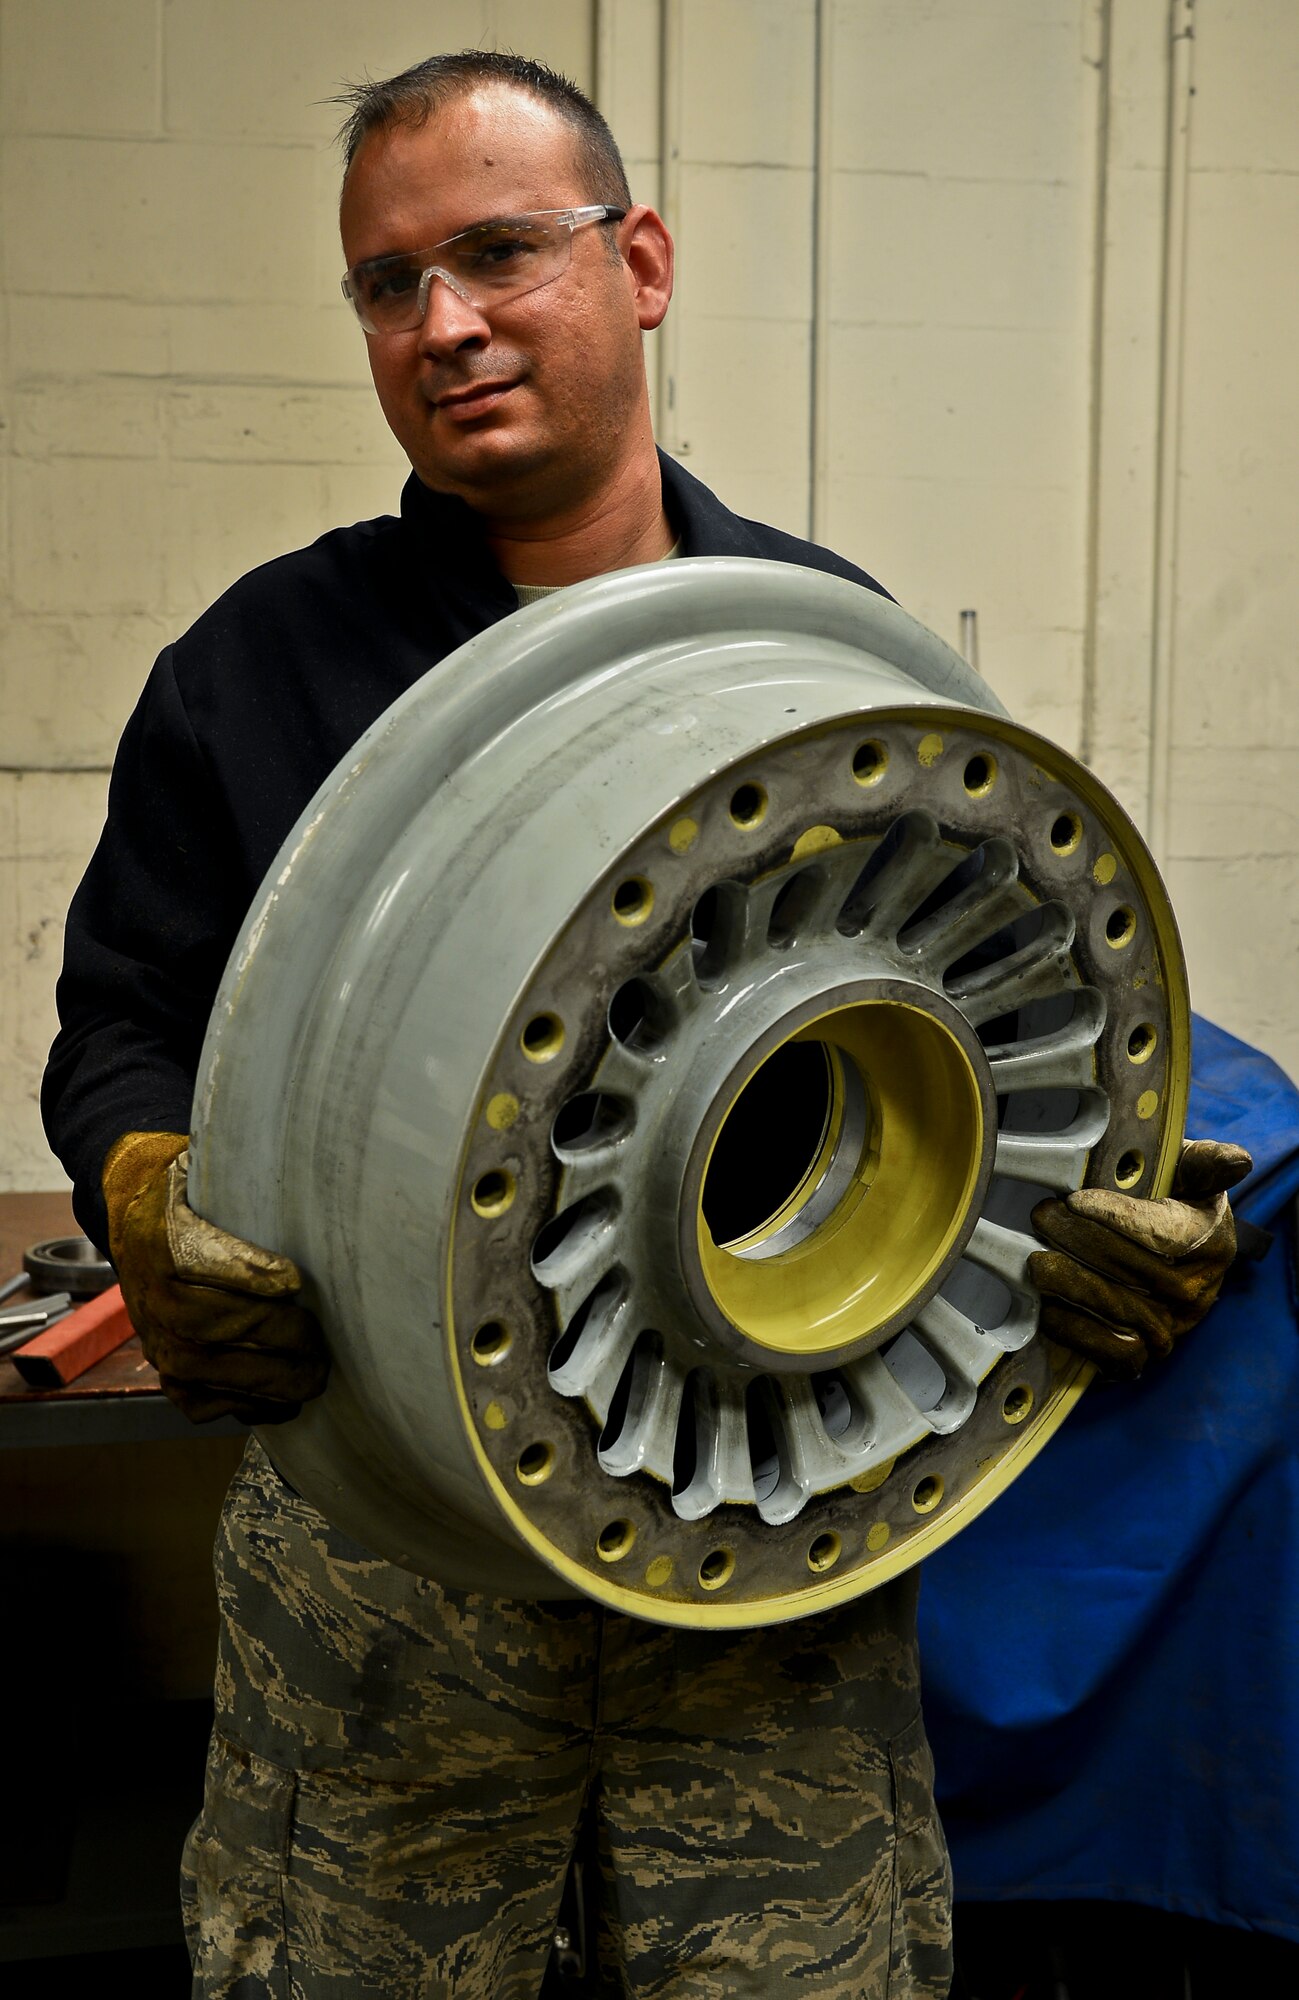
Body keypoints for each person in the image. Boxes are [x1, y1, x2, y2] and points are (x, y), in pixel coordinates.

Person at [40, 51, 1248, 2000]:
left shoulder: (816, 653)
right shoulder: (259, 666)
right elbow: (119, 1028)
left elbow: (986, 1008)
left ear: (643, 260)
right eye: (385, 282)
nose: (442, 324)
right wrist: (148, 1187)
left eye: (499, 252)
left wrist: (1103, 1207)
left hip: (762, 1577)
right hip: (391, 1604)